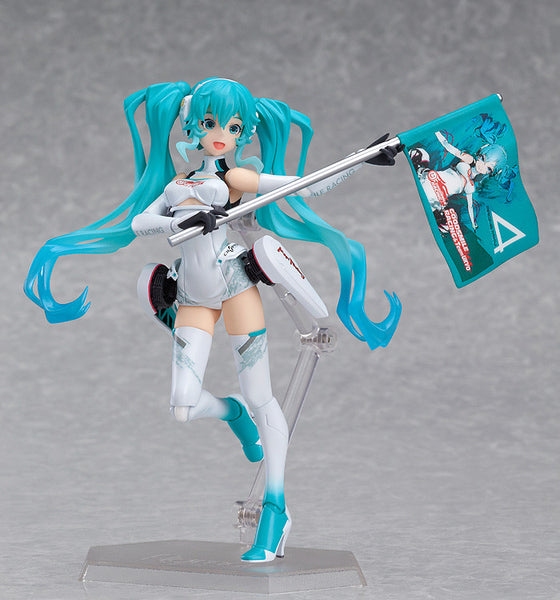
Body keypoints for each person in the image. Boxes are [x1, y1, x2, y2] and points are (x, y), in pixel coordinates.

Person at [24, 78, 401, 562]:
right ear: (191, 125)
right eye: (209, 123)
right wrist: (178, 222)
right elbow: (141, 222)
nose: (221, 135)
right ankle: (233, 415)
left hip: (236, 286)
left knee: (263, 397)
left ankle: (276, 508)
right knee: (183, 405)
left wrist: (361, 159)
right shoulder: (177, 185)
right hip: (191, 296)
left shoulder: (235, 179)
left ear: (244, 133)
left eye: (233, 127)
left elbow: (302, 186)